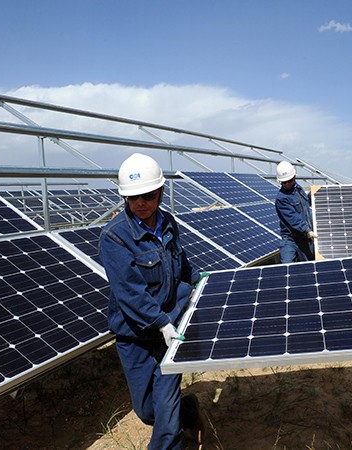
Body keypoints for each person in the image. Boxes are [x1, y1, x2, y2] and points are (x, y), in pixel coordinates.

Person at [98, 153, 205, 450]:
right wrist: (159, 323)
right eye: (132, 197)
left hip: (171, 328)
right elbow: (129, 292)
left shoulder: (168, 223)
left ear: (160, 192)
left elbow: (179, 261)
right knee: (148, 411)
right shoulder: (114, 237)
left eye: (147, 196)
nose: (140, 203)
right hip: (135, 334)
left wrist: (196, 278)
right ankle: (189, 410)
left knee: (166, 423)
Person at [274, 160, 317, 263]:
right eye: (284, 182)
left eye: (289, 181)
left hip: (304, 238)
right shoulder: (281, 198)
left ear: (294, 177)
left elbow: (305, 204)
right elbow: (293, 218)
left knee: (309, 265)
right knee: (287, 266)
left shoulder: (298, 189)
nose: (287, 184)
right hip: (290, 239)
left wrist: (312, 195)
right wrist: (307, 230)